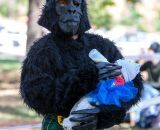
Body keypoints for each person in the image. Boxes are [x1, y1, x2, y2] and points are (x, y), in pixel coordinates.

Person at [20, 0, 143, 129]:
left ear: (82, 11)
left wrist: (102, 118)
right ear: (51, 9)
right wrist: (88, 77)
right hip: (59, 124)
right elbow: (35, 94)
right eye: (63, 3)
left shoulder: (102, 46)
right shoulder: (42, 49)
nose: (71, 9)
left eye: (77, 4)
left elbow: (134, 85)